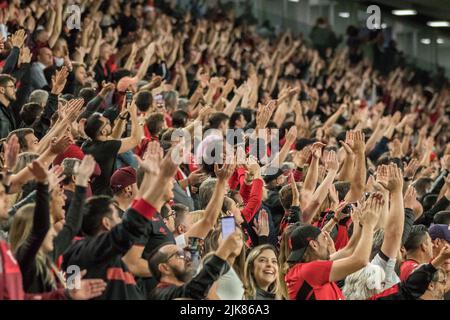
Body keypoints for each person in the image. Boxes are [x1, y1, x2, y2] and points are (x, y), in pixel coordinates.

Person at [82, 99, 142, 196]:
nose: (109, 122)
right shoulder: (106, 147)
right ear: (104, 132)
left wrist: (122, 117)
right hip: (104, 197)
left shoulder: (88, 144)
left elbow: (113, 138)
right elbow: (136, 139)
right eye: (107, 123)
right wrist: (134, 115)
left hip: (93, 193)